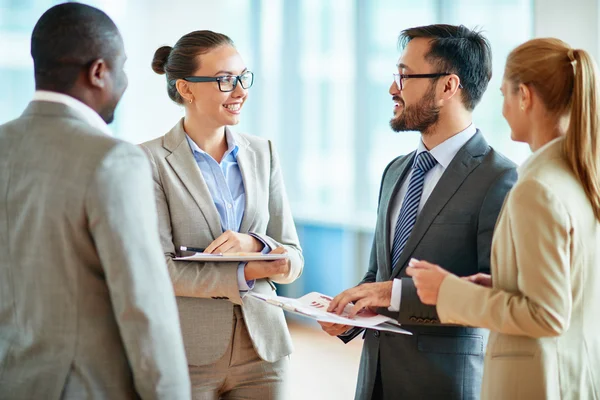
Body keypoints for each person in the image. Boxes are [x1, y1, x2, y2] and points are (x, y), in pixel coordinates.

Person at [0, 3, 190, 399]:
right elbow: (144, 308)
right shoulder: (111, 160)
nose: (124, 81)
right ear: (99, 71)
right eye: (123, 68)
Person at [320, 24, 517, 399]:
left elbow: (496, 298)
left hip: (444, 384)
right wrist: (347, 314)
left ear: (448, 86)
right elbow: (378, 276)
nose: (394, 88)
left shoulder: (501, 179)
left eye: (405, 76)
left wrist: (390, 294)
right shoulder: (395, 171)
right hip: (374, 381)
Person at [407, 38, 600, 400]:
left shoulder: (537, 189)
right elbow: (564, 291)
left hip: (537, 381)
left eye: (504, 95)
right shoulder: (579, 178)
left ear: (524, 96)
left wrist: (449, 291)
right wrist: (499, 285)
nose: (503, 108)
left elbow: (546, 315)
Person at [142, 30, 303, 399]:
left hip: (264, 352)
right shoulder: (147, 161)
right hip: (186, 352)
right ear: (186, 88)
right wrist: (247, 272)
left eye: (243, 78)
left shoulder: (264, 154)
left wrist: (254, 243)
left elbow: (292, 258)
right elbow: (161, 270)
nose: (241, 92)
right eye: (226, 80)